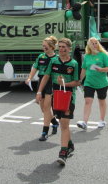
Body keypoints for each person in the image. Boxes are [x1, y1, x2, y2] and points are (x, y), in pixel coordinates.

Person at [36, 38, 79, 166]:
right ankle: (69, 144)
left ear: (69, 49)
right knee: (62, 123)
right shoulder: (53, 61)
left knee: (65, 124)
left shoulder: (74, 64)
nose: (61, 49)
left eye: (64, 47)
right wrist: (39, 92)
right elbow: (46, 76)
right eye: (59, 47)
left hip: (68, 96)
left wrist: (64, 83)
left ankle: (63, 153)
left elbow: (77, 82)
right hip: (56, 96)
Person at [26, 36, 59, 141]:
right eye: (43, 46)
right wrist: (30, 78)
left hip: (51, 83)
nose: (43, 48)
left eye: (46, 46)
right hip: (41, 81)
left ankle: (44, 132)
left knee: (46, 108)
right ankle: (54, 122)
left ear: (52, 47)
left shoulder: (56, 59)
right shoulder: (41, 56)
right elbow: (35, 67)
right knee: (43, 109)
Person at [77, 37, 108, 130]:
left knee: (101, 101)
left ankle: (102, 120)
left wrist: (101, 69)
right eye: (92, 43)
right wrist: (80, 80)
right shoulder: (87, 56)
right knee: (88, 101)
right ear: (88, 45)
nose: (94, 44)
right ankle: (84, 122)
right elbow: (84, 69)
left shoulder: (103, 55)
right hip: (89, 83)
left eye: (96, 43)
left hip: (102, 83)